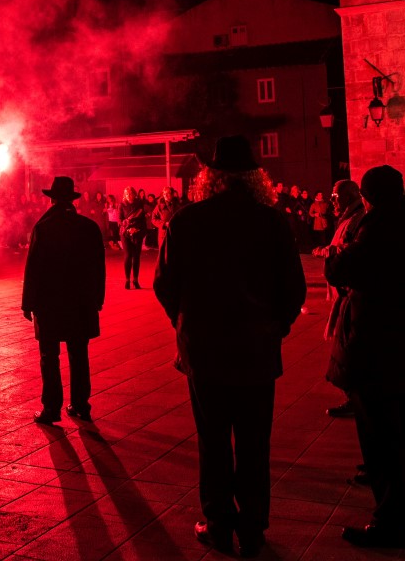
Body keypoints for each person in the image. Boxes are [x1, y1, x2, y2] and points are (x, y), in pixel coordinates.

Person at [154, 135, 306, 556]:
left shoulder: (187, 220)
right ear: (255, 177)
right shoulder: (271, 222)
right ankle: (253, 527)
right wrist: (277, 325)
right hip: (257, 348)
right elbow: (293, 288)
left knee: (214, 439)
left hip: (204, 349)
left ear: (212, 176)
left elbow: (164, 284)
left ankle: (219, 523)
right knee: (255, 442)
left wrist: (183, 323)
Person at [325, 165, 405, 549]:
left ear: (369, 195)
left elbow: (343, 270)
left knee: (381, 436)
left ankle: (390, 521)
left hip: (377, 343)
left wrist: (335, 254)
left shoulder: (379, 228)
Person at [21, 176, 106, 424]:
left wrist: (28, 303)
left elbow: (33, 268)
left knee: (49, 355)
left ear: (53, 199)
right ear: (73, 200)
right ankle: (80, 404)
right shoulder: (88, 227)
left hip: (50, 302)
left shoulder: (44, 228)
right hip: (81, 301)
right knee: (79, 353)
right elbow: (98, 268)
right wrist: (97, 299)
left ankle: (51, 408)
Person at [318, 179, 366, 419]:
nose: (332, 201)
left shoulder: (359, 218)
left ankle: (356, 399)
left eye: (336, 196)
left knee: (348, 352)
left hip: (351, 295)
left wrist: (332, 254)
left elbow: (351, 253)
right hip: (346, 293)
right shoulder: (351, 216)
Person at [119, 186, 146, 289]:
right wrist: (127, 227)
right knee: (128, 255)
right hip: (125, 232)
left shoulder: (139, 204)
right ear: (124, 195)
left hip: (137, 232)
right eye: (127, 194)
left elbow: (142, 219)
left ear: (134, 195)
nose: (129, 196)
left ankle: (135, 280)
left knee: (136, 256)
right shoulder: (121, 205)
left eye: (131, 194)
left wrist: (137, 229)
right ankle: (127, 280)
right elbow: (120, 219)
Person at [151, 186, 181, 251]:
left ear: (172, 194)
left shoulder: (177, 205)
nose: (166, 195)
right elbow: (153, 219)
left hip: (175, 233)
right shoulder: (159, 206)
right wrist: (163, 224)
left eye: (168, 193)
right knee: (164, 253)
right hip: (163, 234)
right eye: (164, 193)